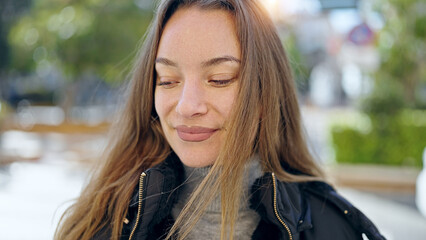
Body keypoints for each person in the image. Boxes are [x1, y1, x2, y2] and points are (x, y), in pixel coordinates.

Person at [55, 0, 386, 239]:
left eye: (220, 78)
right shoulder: (102, 222)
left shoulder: (332, 228)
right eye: (168, 80)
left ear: (266, 93)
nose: (187, 106)